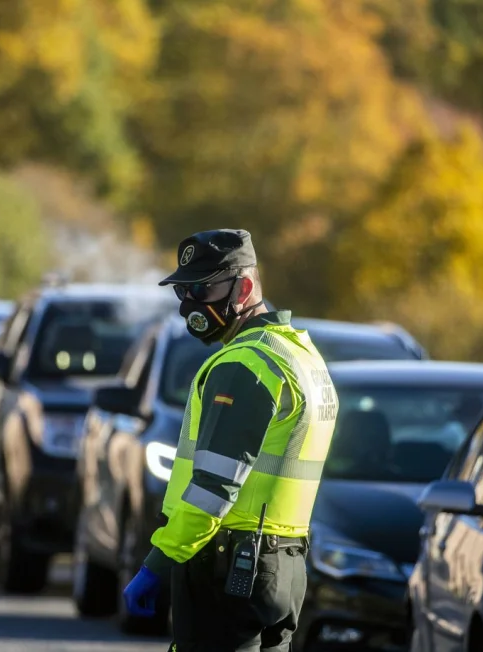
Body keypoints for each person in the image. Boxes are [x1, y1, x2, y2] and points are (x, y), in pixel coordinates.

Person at [122, 229, 340, 652]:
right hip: (282, 564)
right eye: (183, 291)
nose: (189, 304)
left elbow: (213, 487)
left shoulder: (244, 364)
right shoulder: (300, 355)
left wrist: (159, 564)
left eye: (202, 288)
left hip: (227, 565)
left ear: (243, 287)